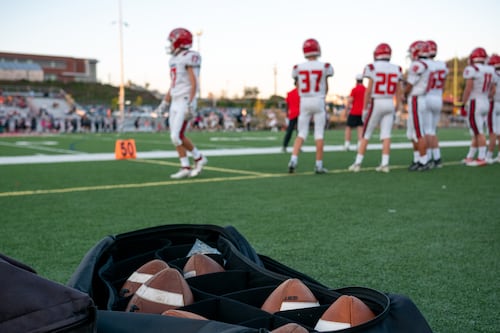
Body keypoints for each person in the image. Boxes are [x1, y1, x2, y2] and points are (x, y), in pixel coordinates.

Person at [158, 27, 207, 179]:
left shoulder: (190, 56)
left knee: (176, 135)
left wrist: (191, 103)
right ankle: (185, 165)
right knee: (176, 136)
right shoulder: (173, 60)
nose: (170, 44)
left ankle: (198, 158)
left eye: (172, 41)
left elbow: (194, 83)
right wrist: (164, 102)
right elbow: (173, 84)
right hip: (175, 100)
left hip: (185, 100)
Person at [348, 43, 403, 173]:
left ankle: (357, 163)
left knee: (366, 134)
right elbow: (399, 91)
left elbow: (368, 91)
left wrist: (364, 108)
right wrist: (399, 108)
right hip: (389, 102)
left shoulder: (372, 67)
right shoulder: (397, 68)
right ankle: (385, 164)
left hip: (377, 102)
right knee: (386, 135)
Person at [287, 38, 333, 174]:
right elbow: (326, 86)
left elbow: (299, 86)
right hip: (318, 99)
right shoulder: (325, 66)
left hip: (305, 101)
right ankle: (318, 165)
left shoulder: (298, 67)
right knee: (319, 133)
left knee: (301, 132)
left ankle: (293, 160)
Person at [460, 47, 497, 166]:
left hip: (475, 101)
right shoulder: (491, 70)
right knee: (476, 130)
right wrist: (487, 97)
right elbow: (493, 89)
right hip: (485, 100)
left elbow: (468, 88)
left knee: (478, 131)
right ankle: (470, 156)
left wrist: (463, 103)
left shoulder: (472, 69)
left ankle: (482, 157)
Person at [404, 40, 431, 171]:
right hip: (420, 99)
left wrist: (403, 93)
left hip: (416, 99)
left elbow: (409, 85)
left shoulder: (417, 65)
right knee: (412, 132)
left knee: (419, 132)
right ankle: (417, 159)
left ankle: (424, 160)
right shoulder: (426, 64)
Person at [425, 40, 449, 168]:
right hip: (438, 97)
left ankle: (428, 158)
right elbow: (443, 84)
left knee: (427, 131)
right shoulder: (442, 65)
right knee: (433, 131)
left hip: (427, 97)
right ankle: (437, 157)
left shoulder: (424, 64)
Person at [343, 74, 366, 151]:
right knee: (360, 128)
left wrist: (345, 111)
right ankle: (359, 144)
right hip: (362, 112)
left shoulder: (354, 89)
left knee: (348, 128)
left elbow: (350, 100)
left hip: (354, 111)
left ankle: (347, 144)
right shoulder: (365, 89)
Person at [486, 54, 500, 163]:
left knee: (492, 131)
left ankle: (489, 155)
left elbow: (493, 90)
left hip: (493, 103)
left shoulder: (492, 74)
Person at [282, 80, 300, 152]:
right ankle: (296, 146)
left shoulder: (290, 93)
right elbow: (287, 104)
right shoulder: (301, 93)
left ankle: (285, 146)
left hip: (294, 114)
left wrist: (287, 113)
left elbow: (287, 104)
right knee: (297, 131)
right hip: (298, 114)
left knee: (291, 131)